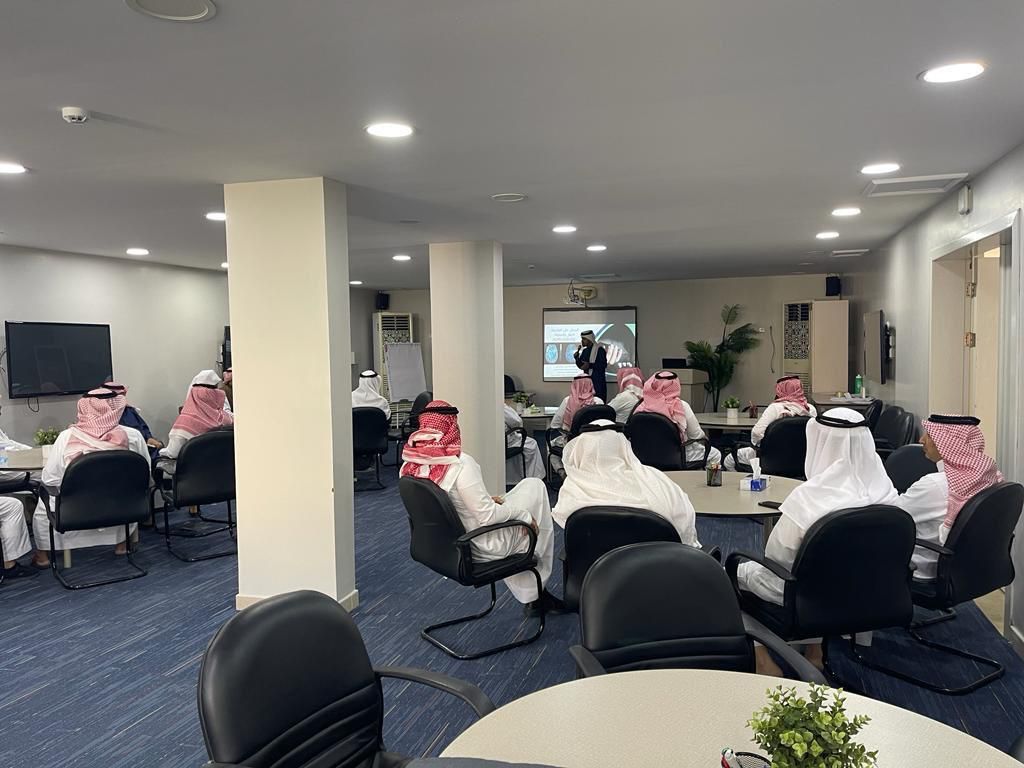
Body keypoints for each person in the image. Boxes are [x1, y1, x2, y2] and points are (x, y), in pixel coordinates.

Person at [736, 408, 898, 674]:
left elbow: (777, 558)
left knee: (734, 572)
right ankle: (815, 650)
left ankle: (763, 658)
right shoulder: (887, 493)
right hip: (870, 590)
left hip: (807, 595)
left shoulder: (808, 500)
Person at [401, 400, 560, 613]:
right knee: (536, 498)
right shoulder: (460, 464)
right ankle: (536, 594)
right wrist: (523, 516)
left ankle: (533, 593)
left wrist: (485, 500)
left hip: (443, 546)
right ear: (451, 424)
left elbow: (447, 503)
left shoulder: (410, 463)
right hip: (481, 544)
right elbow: (487, 517)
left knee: (528, 487)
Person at [31, 388, 152, 567]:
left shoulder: (66, 437)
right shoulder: (133, 435)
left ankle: (43, 557)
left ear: (83, 407)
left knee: (44, 502)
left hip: (76, 509)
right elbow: (145, 471)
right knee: (124, 490)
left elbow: (50, 479)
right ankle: (121, 544)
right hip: (121, 505)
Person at [553, 419, 701, 547]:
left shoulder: (572, 489)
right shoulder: (658, 481)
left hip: (594, 569)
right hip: (658, 566)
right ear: (623, 446)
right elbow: (682, 523)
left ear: (581, 449)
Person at [896, 414, 1003, 581]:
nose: (921, 440)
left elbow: (892, 516)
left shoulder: (935, 485)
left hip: (923, 568)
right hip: (967, 567)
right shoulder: (989, 476)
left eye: (929, 435)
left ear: (948, 443)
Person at [723, 375, 816, 470]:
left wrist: (758, 446)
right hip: (802, 461)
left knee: (729, 460)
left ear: (780, 390)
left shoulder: (775, 408)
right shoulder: (811, 409)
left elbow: (757, 433)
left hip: (771, 460)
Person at [634, 371, 722, 466]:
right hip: (676, 455)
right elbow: (696, 435)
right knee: (715, 454)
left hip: (645, 456)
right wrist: (704, 438)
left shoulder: (641, 406)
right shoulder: (681, 406)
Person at [159, 377, 234, 472]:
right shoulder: (230, 421)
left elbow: (173, 453)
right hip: (227, 475)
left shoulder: (184, 423)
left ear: (192, 396)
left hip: (194, 477)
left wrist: (160, 451)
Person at [549, 375, 604, 478]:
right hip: (595, 443)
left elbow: (554, 425)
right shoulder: (599, 402)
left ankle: (561, 471)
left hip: (572, 442)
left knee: (551, 446)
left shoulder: (567, 401)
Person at [103, 381, 164, 459]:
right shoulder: (102, 418)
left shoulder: (129, 410)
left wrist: (149, 438)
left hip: (142, 448)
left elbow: (143, 427)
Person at [503, 396, 546, 484]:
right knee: (532, 443)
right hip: (508, 442)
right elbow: (517, 422)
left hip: (493, 443)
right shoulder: (501, 407)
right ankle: (535, 477)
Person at [574, 330, 608, 402]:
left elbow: (603, 365)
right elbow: (582, 366)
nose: (582, 341)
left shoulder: (600, 350)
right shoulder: (585, 351)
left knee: (599, 402)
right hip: (587, 382)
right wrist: (577, 358)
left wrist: (590, 365)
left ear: (589, 339)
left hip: (598, 382)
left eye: (584, 339)